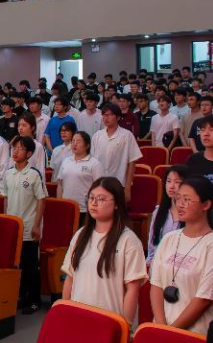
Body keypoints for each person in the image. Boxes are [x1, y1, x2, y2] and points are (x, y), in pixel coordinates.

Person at [150, 176, 213, 334]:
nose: (180, 204)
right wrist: (161, 328)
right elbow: (156, 285)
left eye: (187, 200)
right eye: (178, 198)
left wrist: (172, 332)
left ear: (206, 205)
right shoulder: (169, 238)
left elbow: (203, 299)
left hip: (194, 333)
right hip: (162, 328)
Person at [62, 177, 147, 323]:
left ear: (117, 204)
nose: (94, 203)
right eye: (91, 198)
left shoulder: (129, 241)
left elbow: (132, 290)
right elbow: (70, 278)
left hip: (110, 321)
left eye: (101, 199)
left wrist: (125, 325)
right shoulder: (81, 235)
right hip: (77, 317)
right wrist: (64, 314)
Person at [3, 136, 48, 315]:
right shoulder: (8, 173)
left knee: (30, 265)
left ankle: (34, 300)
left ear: (29, 153)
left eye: (20, 149)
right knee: (17, 265)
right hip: (13, 227)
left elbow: (41, 200)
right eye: (14, 148)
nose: (16, 151)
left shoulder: (34, 174)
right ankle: (21, 297)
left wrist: (37, 225)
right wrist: (6, 221)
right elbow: (6, 198)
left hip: (29, 226)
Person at [91, 104, 142, 198]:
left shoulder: (127, 135)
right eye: (104, 115)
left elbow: (132, 162)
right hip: (99, 183)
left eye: (109, 115)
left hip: (119, 184)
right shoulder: (97, 136)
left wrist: (128, 187)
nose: (106, 118)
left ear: (118, 117)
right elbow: (93, 161)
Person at [56, 132, 103, 222]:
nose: (75, 144)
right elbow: (60, 184)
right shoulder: (66, 161)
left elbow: (98, 188)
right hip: (66, 207)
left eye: (78, 141)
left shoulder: (94, 163)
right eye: (73, 141)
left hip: (85, 210)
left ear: (87, 145)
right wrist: (59, 203)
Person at [147, 165, 189, 266]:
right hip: (157, 265)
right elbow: (152, 247)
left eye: (177, 182)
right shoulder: (158, 211)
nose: (171, 186)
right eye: (169, 181)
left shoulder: (190, 213)